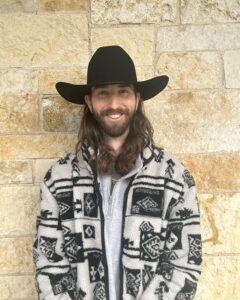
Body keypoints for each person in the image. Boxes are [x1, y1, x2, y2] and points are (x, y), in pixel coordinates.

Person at [33, 45, 202, 300]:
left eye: (123, 92)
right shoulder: (58, 180)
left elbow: (185, 262)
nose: (114, 104)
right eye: (103, 94)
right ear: (89, 102)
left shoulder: (175, 178)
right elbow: (48, 264)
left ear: (137, 99)